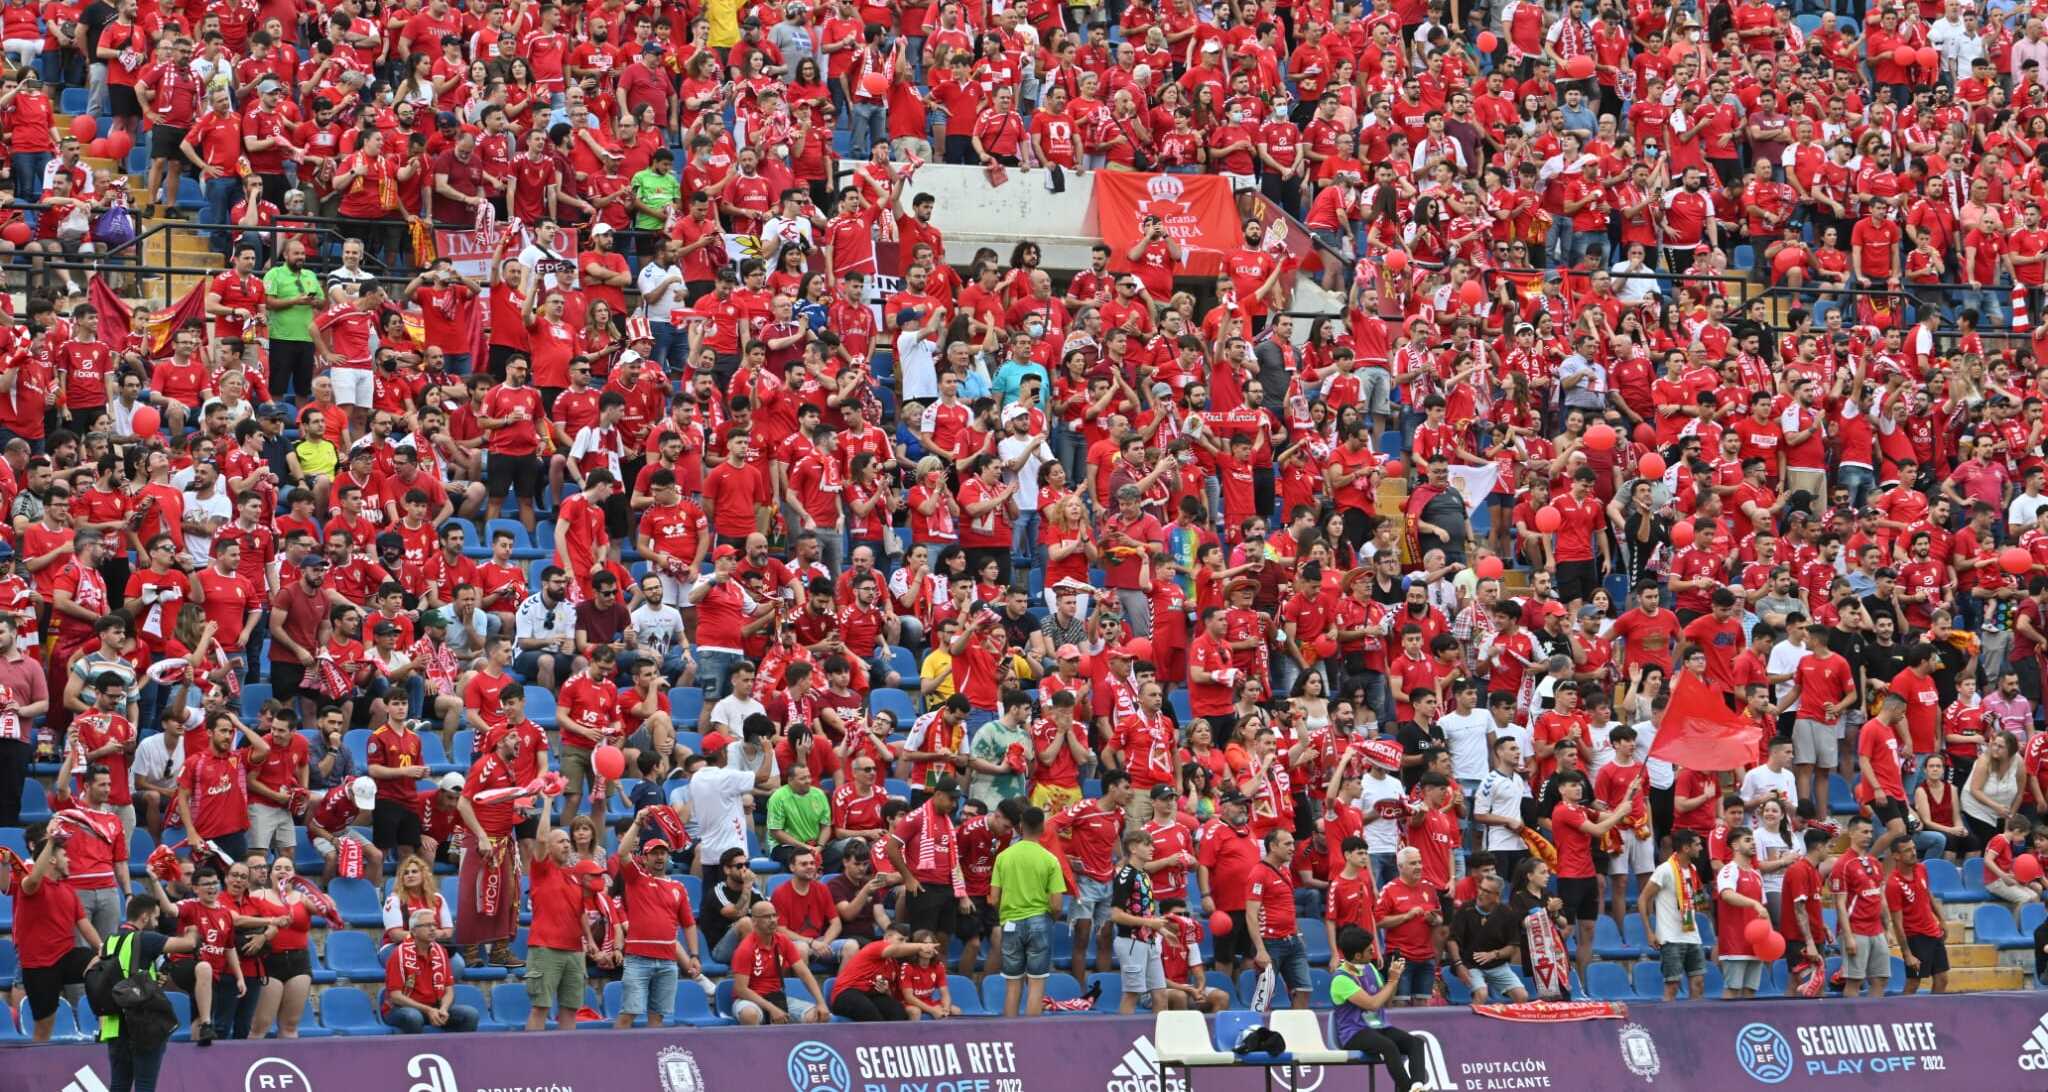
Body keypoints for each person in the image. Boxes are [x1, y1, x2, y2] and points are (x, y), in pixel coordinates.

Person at [94, 894, 200, 1092]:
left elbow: (95, 970)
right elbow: (189, 944)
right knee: (145, 1085)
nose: (157, 922)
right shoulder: (146, 938)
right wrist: (192, 928)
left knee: (119, 1085)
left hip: (114, 1023)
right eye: (156, 917)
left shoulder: (109, 940)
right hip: (143, 1020)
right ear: (144, 917)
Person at [1329, 924, 1432, 1092]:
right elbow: (1373, 1004)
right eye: (1369, 950)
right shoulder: (1341, 980)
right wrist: (1391, 981)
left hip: (1379, 1026)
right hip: (1354, 1033)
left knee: (1416, 1043)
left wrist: (1395, 978)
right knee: (1389, 1046)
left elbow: (1386, 1000)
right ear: (1357, 955)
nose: (1373, 952)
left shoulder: (1369, 968)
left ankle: (1417, 1085)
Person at [990, 804, 1067, 1017]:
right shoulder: (1050, 859)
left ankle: (1010, 1035)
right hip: (1039, 922)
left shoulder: (1003, 857)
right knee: (1036, 984)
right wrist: (1051, 918)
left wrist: (1006, 914)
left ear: (1020, 826)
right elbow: (1057, 905)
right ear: (1043, 827)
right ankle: (1033, 1037)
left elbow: (994, 898)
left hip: (1010, 922)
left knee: (1012, 985)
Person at [382, 908, 481, 1033]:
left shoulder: (441, 951)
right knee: (413, 1017)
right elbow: (395, 996)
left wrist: (444, 1009)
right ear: (413, 931)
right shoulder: (399, 954)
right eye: (427, 925)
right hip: (402, 1008)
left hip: (435, 1007)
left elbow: (449, 990)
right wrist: (427, 1010)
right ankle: (416, 1051)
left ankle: (454, 1050)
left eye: (434, 924)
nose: (433, 928)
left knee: (470, 1014)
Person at [1638, 829, 1708, 1001]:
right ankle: (1668, 1025)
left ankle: (1694, 1024)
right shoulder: (1665, 869)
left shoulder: (1692, 869)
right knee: (1673, 985)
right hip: (1671, 937)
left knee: (1698, 982)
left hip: (1692, 934)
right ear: (1685, 848)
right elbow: (1643, 898)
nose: (1701, 848)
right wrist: (1649, 931)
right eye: (1697, 844)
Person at [828, 923, 939, 1021]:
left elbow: (891, 994)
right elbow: (897, 949)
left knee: (897, 1011)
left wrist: (886, 991)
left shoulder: (893, 965)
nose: (904, 944)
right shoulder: (876, 946)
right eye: (901, 940)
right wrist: (921, 946)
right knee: (870, 1013)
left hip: (870, 995)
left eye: (906, 940)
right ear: (886, 937)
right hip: (845, 994)